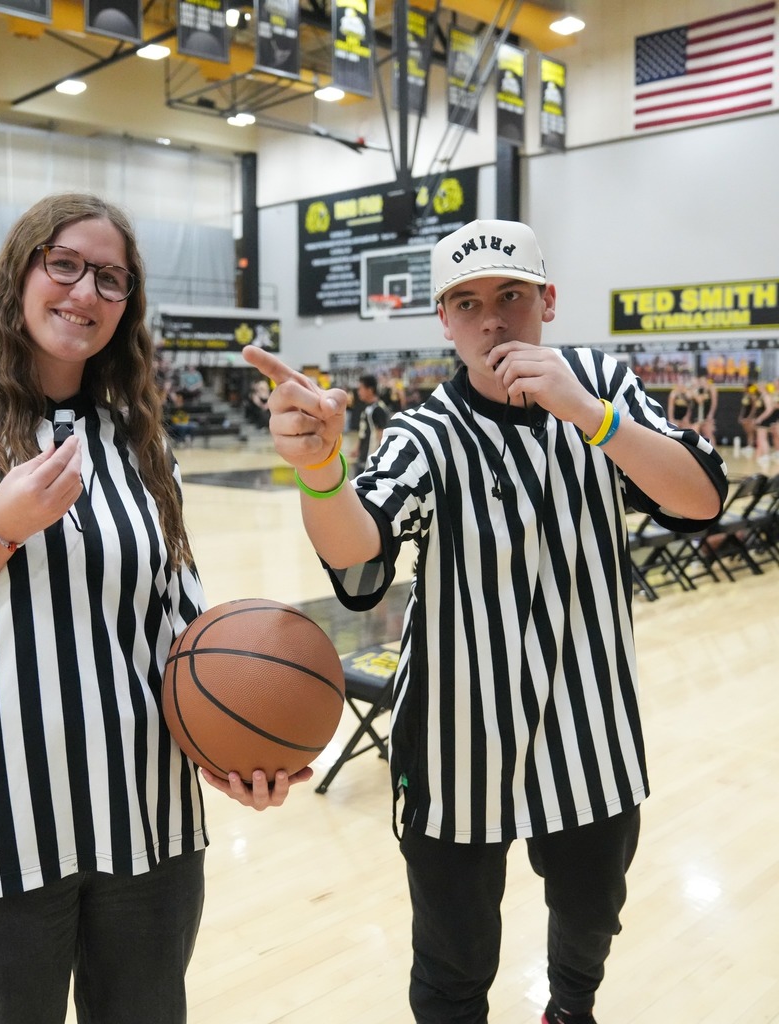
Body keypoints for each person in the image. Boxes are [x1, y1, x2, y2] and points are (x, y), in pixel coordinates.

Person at [0, 192, 307, 1024]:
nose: (86, 292)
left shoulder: (138, 438)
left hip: (148, 821)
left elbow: (182, 633)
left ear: (127, 308)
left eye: (112, 279)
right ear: (19, 273)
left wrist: (236, 750)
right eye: (65, 265)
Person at [243, 219, 727, 1024]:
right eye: (467, 303)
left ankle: (569, 1011)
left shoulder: (605, 386)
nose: (492, 319)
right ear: (444, 318)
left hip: (589, 731)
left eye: (510, 296)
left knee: (591, 920)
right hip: (454, 742)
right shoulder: (424, 432)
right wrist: (322, 472)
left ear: (547, 300)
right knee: (453, 962)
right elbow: (361, 574)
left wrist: (590, 415)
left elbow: (700, 499)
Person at [353, 373, 390, 475]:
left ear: (370, 389)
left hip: (371, 461)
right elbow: (364, 432)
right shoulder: (367, 408)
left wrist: (380, 458)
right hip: (363, 457)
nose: (358, 392)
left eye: (361, 388)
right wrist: (357, 448)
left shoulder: (378, 409)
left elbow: (381, 435)